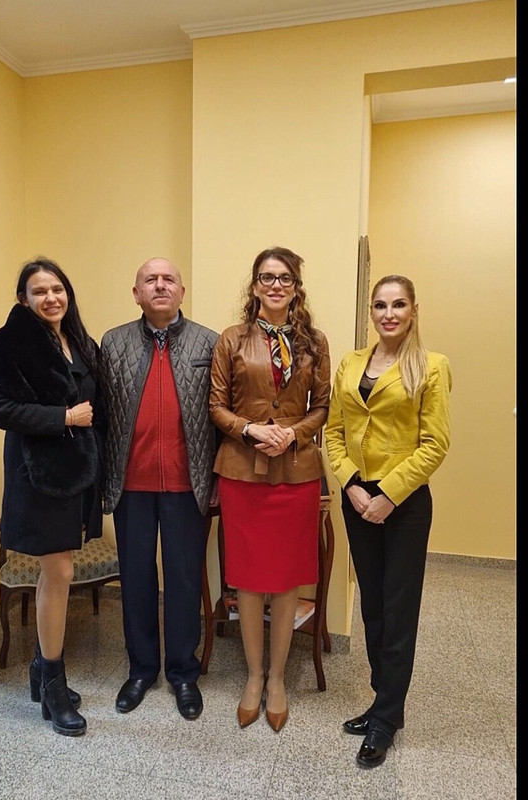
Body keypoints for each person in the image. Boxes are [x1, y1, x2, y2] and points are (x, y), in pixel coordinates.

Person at [324, 274, 452, 768]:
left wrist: (389, 496)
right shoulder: (351, 363)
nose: (389, 314)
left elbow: (435, 444)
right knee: (373, 606)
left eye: (398, 305)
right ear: (371, 312)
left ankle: (385, 718)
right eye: (380, 305)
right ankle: (384, 700)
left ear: (413, 310)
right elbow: (333, 432)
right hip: (357, 499)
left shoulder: (431, 366)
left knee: (398, 610)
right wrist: (352, 485)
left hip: (404, 505)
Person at [0, 257, 105, 737]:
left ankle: (39, 666)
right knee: (61, 572)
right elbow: (3, 410)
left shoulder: (78, 340)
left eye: (57, 289)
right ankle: (53, 682)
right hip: (39, 476)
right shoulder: (12, 342)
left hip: (76, 475)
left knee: (59, 571)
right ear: (23, 299)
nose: (51, 298)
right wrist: (63, 418)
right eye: (39, 291)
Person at [209, 246, 331, 732]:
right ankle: (254, 676)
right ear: (255, 285)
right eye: (266, 277)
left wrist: (292, 434)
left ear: (296, 287)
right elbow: (216, 406)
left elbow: (322, 407)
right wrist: (250, 430)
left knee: (285, 580)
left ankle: (277, 679)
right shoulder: (232, 339)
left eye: (284, 278)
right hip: (242, 474)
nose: (275, 285)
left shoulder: (314, 343)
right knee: (248, 579)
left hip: (296, 474)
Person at [100, 256, 218, 720]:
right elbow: (102, 414)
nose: (160, 285)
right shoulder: (113, 343)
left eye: (169, 279)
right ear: (137, 294)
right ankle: (141, 669)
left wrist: (216, 480)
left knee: (185, 579)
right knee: (136, 579)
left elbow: (220, 416)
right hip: (131, 485)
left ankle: (184, 673)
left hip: (188, 485)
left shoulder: (208, 342)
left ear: (182, 292)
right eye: (150, 280)